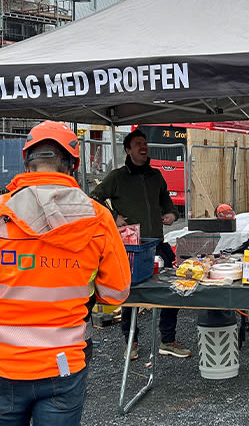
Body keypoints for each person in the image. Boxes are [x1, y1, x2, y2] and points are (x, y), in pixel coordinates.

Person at [0, 121, 131, 426]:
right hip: (64, 364)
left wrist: (7, 282)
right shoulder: (98, 218)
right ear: (73, 165)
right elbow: (116, 293)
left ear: (27, 164)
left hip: (4, 364)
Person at [91, 129, 191, 360]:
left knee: (171, 292)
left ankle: (168, 340)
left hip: (158, 244)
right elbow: (94, 198)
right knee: (132, 296)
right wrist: (113, 217)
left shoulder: (156, 176)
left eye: (144, 144)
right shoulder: (117, 177)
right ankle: (131, 342)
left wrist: (171, 215)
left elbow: (166, 201)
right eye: (138, 144)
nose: (143, 147)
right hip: (131, 249)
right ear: (128, 149)